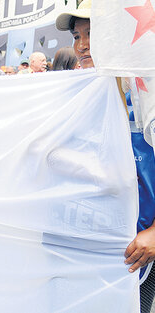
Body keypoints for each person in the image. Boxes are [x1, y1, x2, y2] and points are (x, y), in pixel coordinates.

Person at [56, 1, 155, 312]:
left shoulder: (145, 89)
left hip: (136, 252)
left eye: (92, 33)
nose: (82, 45)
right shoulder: (73, 89)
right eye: (76, 36)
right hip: (85, 246)